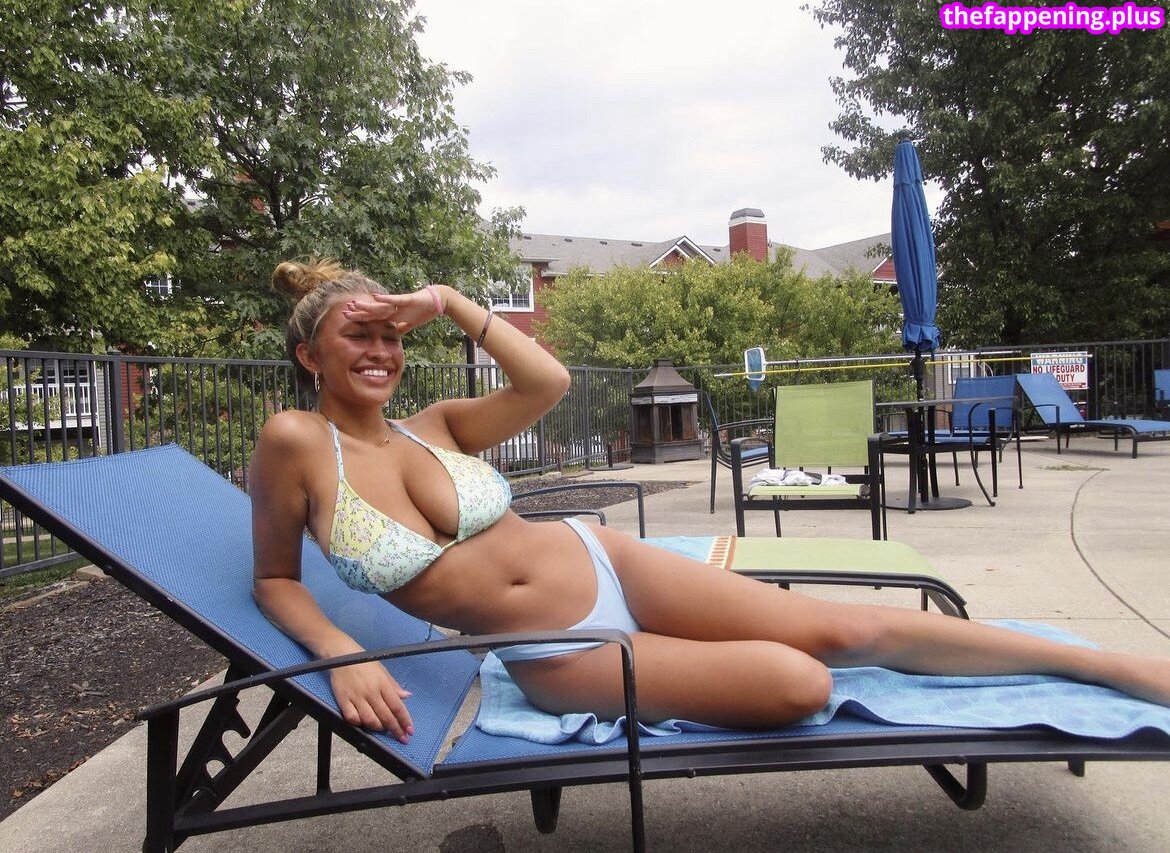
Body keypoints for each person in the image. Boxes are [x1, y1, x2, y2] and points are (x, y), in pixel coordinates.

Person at [251, 258, 1170, 745]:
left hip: (604, 559)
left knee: (846, 626)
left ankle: (1106, 667)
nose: (381, 351)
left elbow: (548, 381)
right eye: (357, 335)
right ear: (309, 356)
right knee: (800, 681)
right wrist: (340, 653)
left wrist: (451, 301)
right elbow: (274, 580)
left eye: (390, 334)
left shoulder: (436, 425)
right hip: (559, 652)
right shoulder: (295, 442)